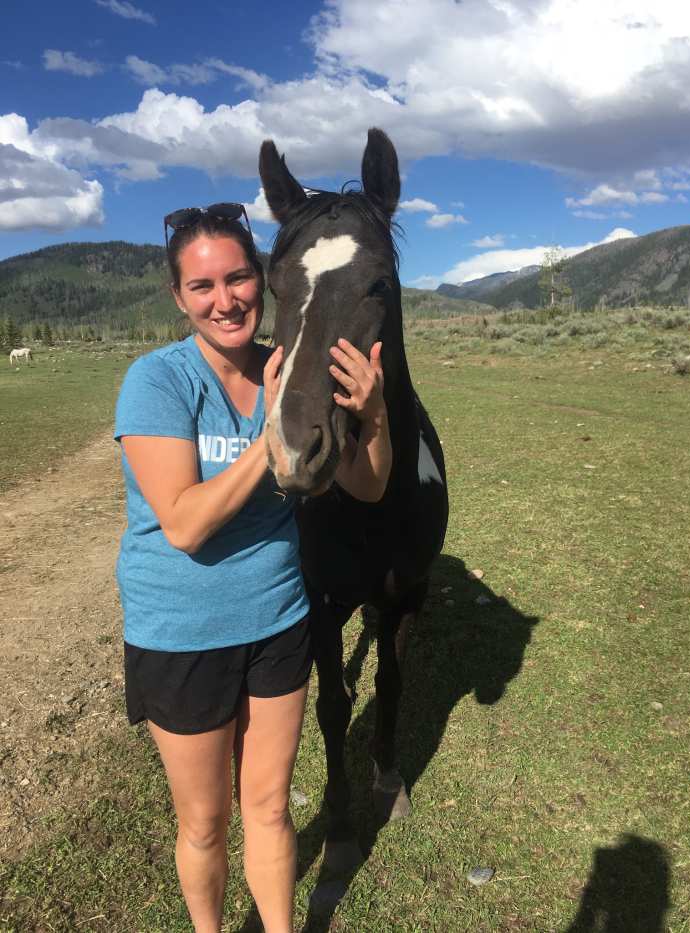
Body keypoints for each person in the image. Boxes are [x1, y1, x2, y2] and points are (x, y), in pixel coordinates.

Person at [114, 202, 392, 933]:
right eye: (202, 286)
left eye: (238, 279)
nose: (225, 300)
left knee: (268, 808)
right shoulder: (158, 382)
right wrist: (272, 436)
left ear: (263, 283)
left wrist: (374, 415)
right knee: (205, 823)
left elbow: (367, 486)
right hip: (182, 633)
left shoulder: (288, 366)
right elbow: (184, 523)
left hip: (277, 621)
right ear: (178, 297)